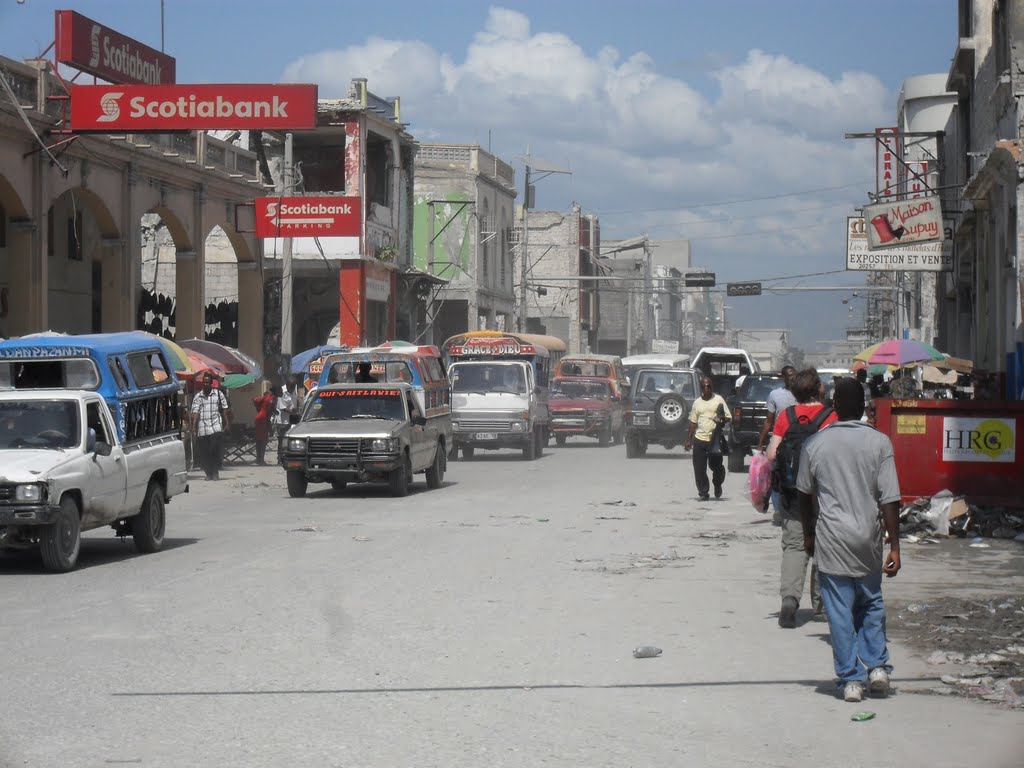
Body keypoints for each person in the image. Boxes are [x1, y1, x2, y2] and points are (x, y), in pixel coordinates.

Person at [797, 377, 902, 703]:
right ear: (862, 407)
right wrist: (895, 546)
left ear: (835, 407)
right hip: (867, 541)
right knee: (871, 602)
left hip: (832, 540)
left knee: (839, 612)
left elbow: (803, 495)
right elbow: (890, 500)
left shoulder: (815, 444)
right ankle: (878, 669)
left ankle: (851, 680)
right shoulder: (880, 442)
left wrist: (809, 535)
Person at [766, 368, 837, 628]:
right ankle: (821, 606)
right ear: (818, 388)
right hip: (824, 494)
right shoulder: (831, 416)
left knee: (794, 546)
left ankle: (789, 600)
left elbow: (772, 454)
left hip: (793, 492)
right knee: (824, 547)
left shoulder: (787, 416)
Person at [684, 376, 731, 501]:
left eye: (709, 386)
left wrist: (720, 419)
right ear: (701, 388)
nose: (706, 389)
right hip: (700, 439)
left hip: (714, 440)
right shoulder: (697, 403)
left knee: (717, 467)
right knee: (699, 469)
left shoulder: (719, 399)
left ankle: (717, 484)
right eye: (704, 386)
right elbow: (693, 423)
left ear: (712, 387)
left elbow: (728, 417)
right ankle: (703, 493)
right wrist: (688, 440)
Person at [190, 373, 231, 480]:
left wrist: (227, 423)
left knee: (215, 449)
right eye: (204, 382)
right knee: (204, 452)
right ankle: (209, 473)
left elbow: (225, 409)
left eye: (208, 382)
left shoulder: (218, 394)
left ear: (211, 383)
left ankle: (215, 471)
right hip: (203, 427)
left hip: (216, 426)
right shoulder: (198, 396)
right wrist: (194, 426)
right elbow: (195, 412)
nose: (206, 384)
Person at [251, 386, 278, 466]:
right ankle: (261, 460)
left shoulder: (268, 397)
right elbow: (268, 412)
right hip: (263, 419)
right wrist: (269, 426)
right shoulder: (271, 399)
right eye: (279, 391)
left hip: (260, 418)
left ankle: (259, 459)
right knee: (263, 441)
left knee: (259, 440)